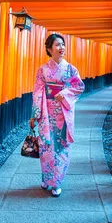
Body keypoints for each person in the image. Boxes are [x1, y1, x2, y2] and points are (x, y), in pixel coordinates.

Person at [29, 33, 85, 197]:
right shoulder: (43, 70)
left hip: (63, 112)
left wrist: (66, 93)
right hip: (47, 112)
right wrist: (34, 115)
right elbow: (38, 92)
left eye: (63, 44)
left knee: (62, 147)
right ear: (49, 49)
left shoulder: (70, 69)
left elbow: (79, 87)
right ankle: (47, 179)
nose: (62, 48)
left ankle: (57, 182)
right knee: (46, 146)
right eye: (58, 45)